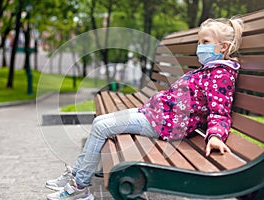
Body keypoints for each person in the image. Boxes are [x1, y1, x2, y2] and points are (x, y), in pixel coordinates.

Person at [45, 17, 244, 200]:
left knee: (100, 126)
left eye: (205, 42)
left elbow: (220, 111)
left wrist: (215, 136)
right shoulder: (210, 70)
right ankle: (77, 175)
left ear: (223, 46)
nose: (199, 47)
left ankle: (80, 187)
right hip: (158, 114)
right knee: (101, 122)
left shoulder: (221, 75)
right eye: (199, 42)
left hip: (166, 124)